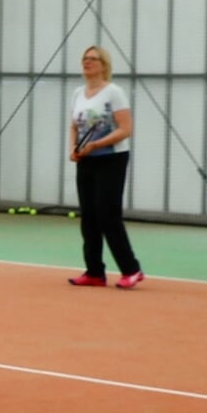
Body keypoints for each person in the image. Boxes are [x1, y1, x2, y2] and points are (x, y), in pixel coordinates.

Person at [67, 45, 143, 288]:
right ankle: (94, 272)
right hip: (86, 160)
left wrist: (97, 143)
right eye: (84, 58)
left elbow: (125, 129)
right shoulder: (78, 92)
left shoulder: (114, 92)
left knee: (107, 215)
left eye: (92, 59)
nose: (87, 62)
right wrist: (74, 148)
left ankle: (131, 269)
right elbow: (74, 126)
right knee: (88, 216)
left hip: (111, 159)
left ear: (103, 65)